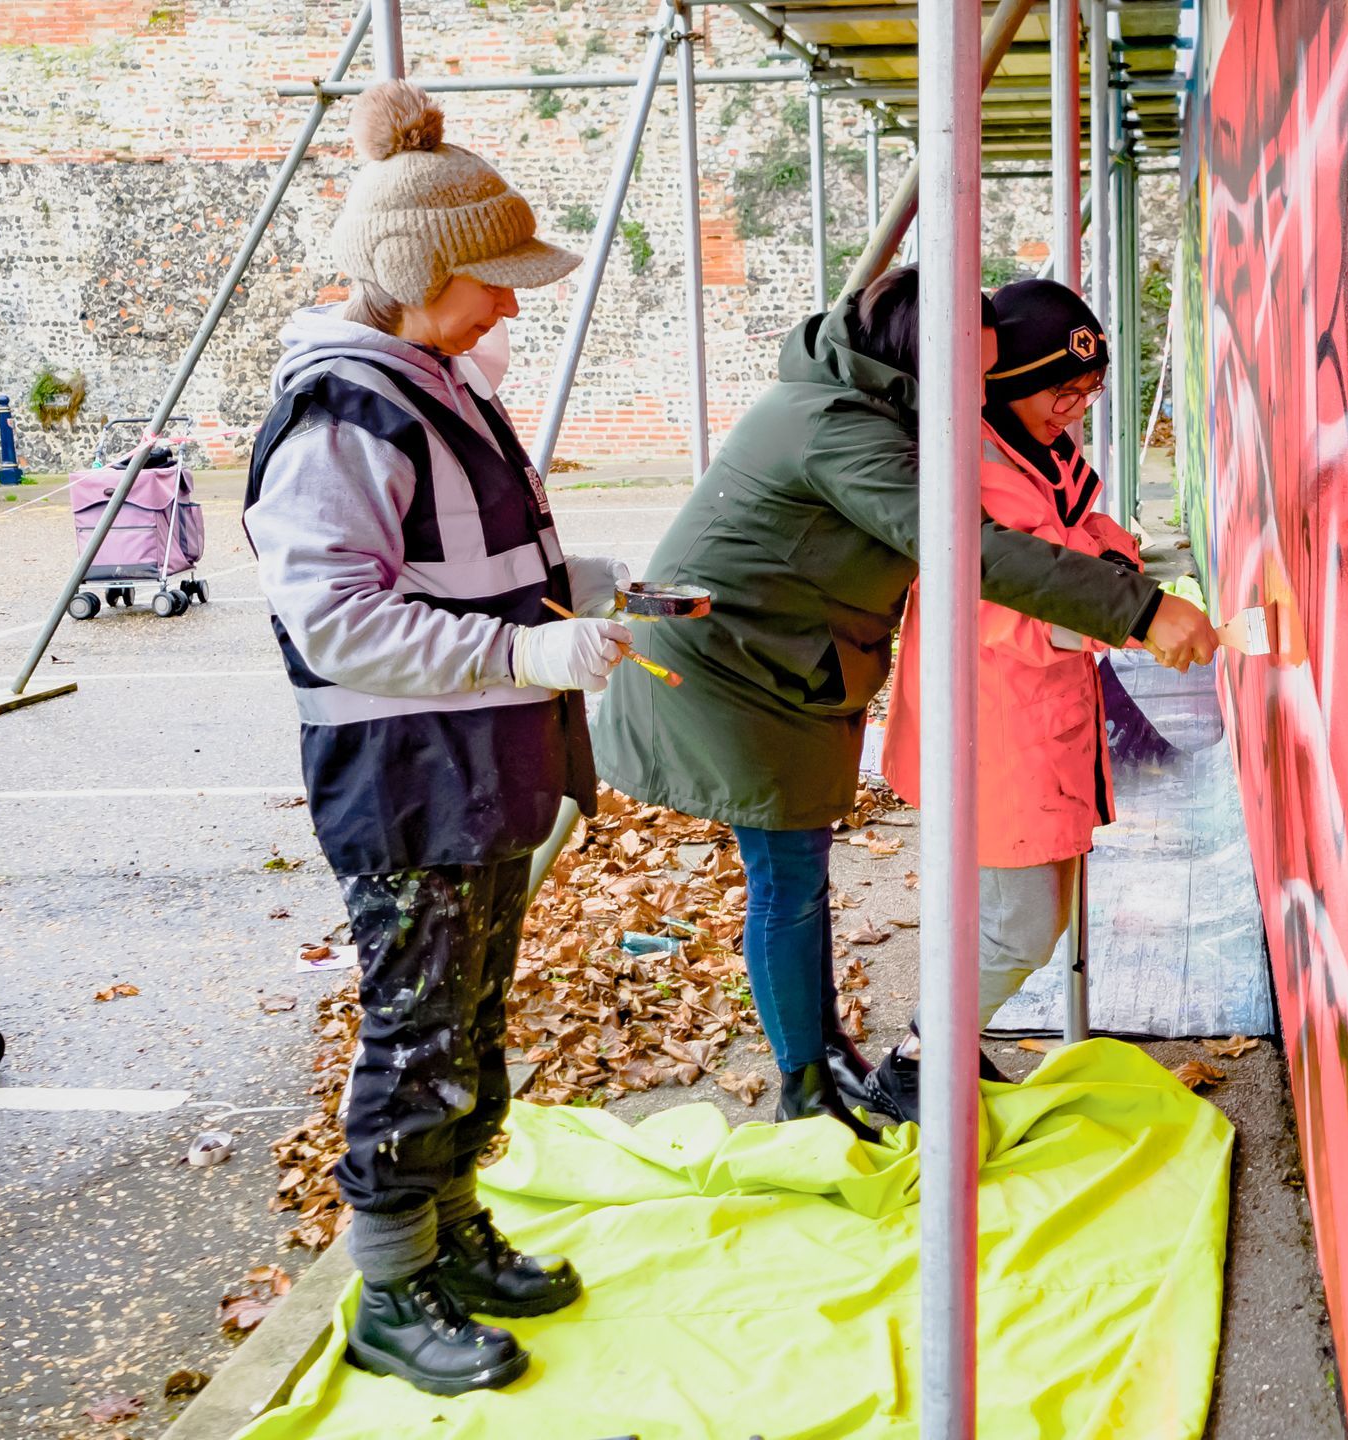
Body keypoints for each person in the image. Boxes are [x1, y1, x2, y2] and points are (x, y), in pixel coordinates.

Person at [591, 267, 1217, 1137]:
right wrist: (1141, 608)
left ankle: (836, 1059)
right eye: (981, 369)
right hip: (731, 675)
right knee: (787, 882)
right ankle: (809, 1084)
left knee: (800, 878)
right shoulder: (842, 431)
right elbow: (976, 553)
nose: (988, 392)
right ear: (935, 359)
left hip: (784, 663)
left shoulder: (875, 407)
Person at [243, 81, 632, 1398]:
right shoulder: (346, 409)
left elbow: (457, 557)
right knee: (416, 1028)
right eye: (492, 282)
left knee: (465, 1017)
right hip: (410, 777)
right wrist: (522, 649)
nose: (511, 306)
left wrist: (569, 587)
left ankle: (451, 1228)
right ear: (419, 278)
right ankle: (392, 1282)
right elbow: (339, 619)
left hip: (476, 765)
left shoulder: (426, 379)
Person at [868, 277, 1209, 1120]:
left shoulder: (1041, 448)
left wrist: (1120, 574)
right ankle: (916, 1063)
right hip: (990, 726)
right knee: (1020, 927)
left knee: (1018, 912)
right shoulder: (966, 461)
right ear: (1012, 381)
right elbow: (993, 607)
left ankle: (941, 1052)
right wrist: (1126, 623)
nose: (1076, 408)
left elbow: (1085, 529)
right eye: (1063, 390)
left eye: (1087, 392)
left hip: (1035, 725)